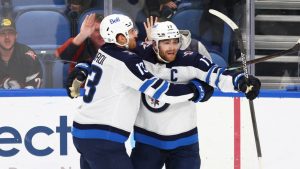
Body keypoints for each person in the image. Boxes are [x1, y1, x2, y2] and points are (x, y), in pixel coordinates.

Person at [66, 14, 214, 169]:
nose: (136, 34)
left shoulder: (104, 51)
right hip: (103, 140)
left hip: (82, 132)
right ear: (120, 38)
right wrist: (196, 90)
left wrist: (82, 67)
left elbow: (105, 62)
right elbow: (163, 92)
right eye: (131, 32)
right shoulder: (128, 60)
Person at [130, 20, 261, 169]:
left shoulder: (191, 59)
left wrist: (240, 81)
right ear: (154, 44)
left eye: (175, 42)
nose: (172, 47)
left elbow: (216, 74)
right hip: (147, 141)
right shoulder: (139, 55)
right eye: (166, 43)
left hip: (184, 143)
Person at [55, 13, 104, 86]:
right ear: (89, 33)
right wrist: (82, 35)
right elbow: (62, 58)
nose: (101, 34)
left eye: (105, 30)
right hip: (80, 92)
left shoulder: (117, 45)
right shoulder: (79, 43)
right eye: (97, 30)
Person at [0, 17, 42, 89]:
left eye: (11, 33)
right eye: (2, 34)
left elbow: (33, 92)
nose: (7, 37)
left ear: (16, 36)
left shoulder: (28, 56)